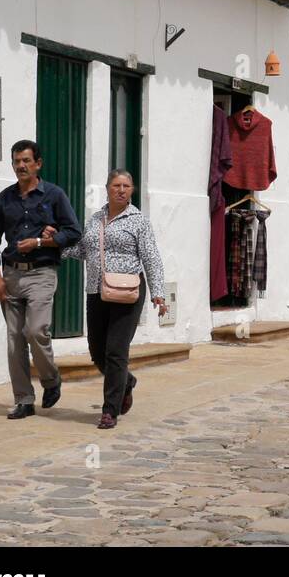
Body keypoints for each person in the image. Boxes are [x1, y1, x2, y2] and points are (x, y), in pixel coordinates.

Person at [0, 140, 82, 420]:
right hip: (11, 274)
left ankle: (51, 380)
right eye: (16, 162)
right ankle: (24, 400)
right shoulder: (4, 199)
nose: (21, 166)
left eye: (26, 161)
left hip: (42, 273)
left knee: (36, 330)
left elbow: (73, 232)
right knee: (15, 340)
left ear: (38, 163)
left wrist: (42, 241)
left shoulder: (54, 195)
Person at [64, 170, 167, 429]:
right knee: (97, 351)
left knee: (116, 351)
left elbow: (151, 257)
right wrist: (58, 248)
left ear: (131, 190)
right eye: (116, 185)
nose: (121, 190)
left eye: (126, 186)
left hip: (128, 293)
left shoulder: (138, 220)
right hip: (97, 291)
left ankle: (110, 410)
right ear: (107, 188)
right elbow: (84, 250)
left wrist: (158, 293)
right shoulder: (96, 218)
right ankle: (127, 381)